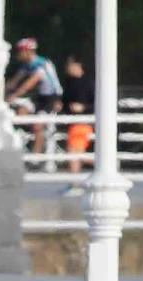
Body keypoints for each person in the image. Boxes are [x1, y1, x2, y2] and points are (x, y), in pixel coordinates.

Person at [7, 38, 63, 156]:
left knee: (38, 124)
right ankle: (30, 136)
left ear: (28, 51)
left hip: (51, 98)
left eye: (20, 51)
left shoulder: (41, 63)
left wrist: (14, 95)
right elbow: (15, 81)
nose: (18, 54)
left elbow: (29, 83)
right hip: (39, 97)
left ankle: (36, 156)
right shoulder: (27, 65)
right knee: (21, 112)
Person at [60, 55, 95, 185]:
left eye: (70, 65)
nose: (67, 68)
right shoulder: (69, 83)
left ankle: (74, 184)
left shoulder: (89, 83)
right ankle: (105, 163)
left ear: (78, 66)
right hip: (73, 122)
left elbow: (97, 103)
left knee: (73, 151)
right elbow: (65, 102)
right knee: (76, 153)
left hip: (83, 122)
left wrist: (83, 107)